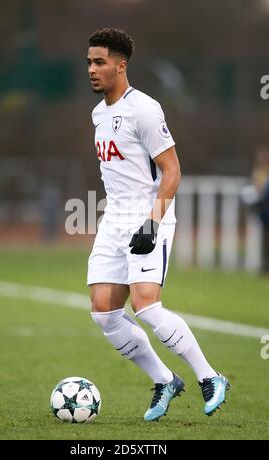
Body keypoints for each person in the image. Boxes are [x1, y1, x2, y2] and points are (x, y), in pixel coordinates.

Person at [86, 27, 230, 421]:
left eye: (99, 62)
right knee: (103, 313)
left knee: (146, 306)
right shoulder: (99, 113)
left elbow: (172, 172)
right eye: (89, 63)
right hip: (114, 219)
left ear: (121, 64)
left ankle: (210, 376)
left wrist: (152, 222)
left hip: (151, 218)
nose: (92, 70)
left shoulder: (144, 109)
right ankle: (166, 380)